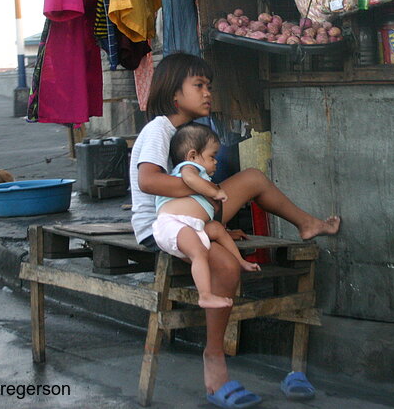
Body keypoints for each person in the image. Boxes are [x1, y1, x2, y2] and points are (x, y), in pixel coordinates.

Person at [129, 52, 340, 407]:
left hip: (190, 217)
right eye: (198, 85)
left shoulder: (187, 132)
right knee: (226, 265)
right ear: (174, 95)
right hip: (162, 225)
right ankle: (215, 363)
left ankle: (305, 223)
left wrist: (209, 212)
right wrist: (206, 192)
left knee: (253, 178)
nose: (208, 92)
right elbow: (149, 181)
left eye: (209, 85)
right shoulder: (159, 129)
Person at [153, 122, 261, 309]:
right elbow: (189, 179)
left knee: (217, 229)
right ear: (193, 155)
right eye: (212, 156)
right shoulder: (188, 168)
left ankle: (241, 261)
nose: (216, 162)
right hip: (172, 225)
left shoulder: (201, 174)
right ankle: (205, 295)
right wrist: (214, 193)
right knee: (199, 252)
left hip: (191, 226)